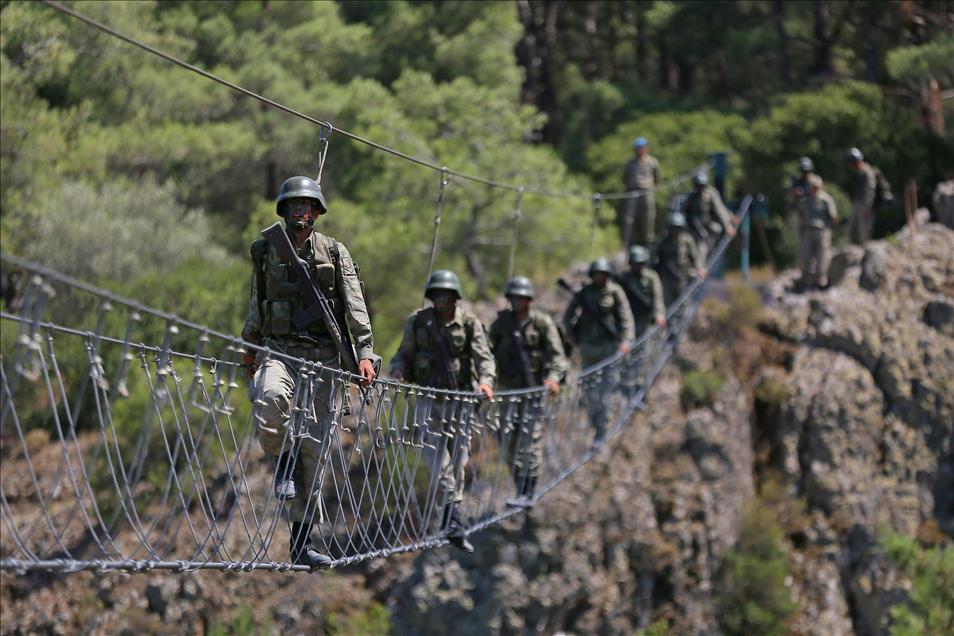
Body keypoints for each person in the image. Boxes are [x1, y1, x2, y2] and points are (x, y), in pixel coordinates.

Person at [242, 175, 377, 569]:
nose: (300, 210)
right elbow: (257, 304)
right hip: (279, 353)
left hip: (325, 363)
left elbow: (354, 304)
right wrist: (248, 348)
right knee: (268, 400)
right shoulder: (265, 251)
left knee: (316, 455)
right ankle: (282, 460)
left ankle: (301, 542)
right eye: (293, 205)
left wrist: (365, 352)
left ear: (317, 212)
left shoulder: (335, 253)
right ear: (283, 210)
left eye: (307, 205)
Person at [390, 269, 495, 553]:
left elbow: (483, 357)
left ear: (455, 297)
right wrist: (397, 370)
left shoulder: (469, 322)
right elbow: (404, 353)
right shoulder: (419, 321)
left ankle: (451, 519)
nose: (440, 300)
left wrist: (486, 382)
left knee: (459, 459)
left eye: (446, 296)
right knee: (438, 462)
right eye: (436, 295)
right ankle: (455, 521)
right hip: (428, 400)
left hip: (460, 401)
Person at [489, 276, 568, 505]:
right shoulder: (501, 325)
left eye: (520, 298)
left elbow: (557, 357)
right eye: (513, 298)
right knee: (507, 442)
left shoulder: (542, 323)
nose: (516, 302)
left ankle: (528, 493)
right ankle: (519, 486)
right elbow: (486, 351)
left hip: (533, 392)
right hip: (507, 392)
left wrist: (553, 379)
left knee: (530, 441)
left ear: (528, 300)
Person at [562, 258, 634, 444]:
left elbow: (625, 317)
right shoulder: (583, 294)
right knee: (588, 390)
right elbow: (568, 316)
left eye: (603, 274)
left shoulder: (615, 292)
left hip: (609, 348)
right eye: (597, 274)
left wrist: (626, 341)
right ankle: (595, 421)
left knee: (605, 390)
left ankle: (602, 428)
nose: (600, 278)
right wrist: (570, 334)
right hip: (588, 347)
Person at [681, 171, 736, 261]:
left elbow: (720, 210)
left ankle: (710, 252)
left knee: (716, 230)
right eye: (698, 186)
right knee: (696, 246)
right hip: (694, 228)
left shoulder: (711, 193)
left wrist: (728, 226)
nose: (700, 188)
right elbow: (682, 212)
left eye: (702, 186)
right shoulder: (691, 197)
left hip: (708, 224)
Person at [655, 212, 705, 307]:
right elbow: (656, 256)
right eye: (673, 228)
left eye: (678, 228)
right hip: (667, 276)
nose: (675, 231)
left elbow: (695, 256)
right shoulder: (664, 241)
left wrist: (700, 268)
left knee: (683, 301)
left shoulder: (687, 240)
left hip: (683, 275)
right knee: (668, 301)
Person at [798, 175, 838, 290]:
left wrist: (829, 228)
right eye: (812, 187)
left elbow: (833, 217)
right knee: (805, 257)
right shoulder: (805, 200)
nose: (814, 189)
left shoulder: (826, 199)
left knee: (823, 256)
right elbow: (801, 215)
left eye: (816, 187)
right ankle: (805, 280)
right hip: (808, 230)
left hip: (823, 230)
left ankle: (820, 281)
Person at [617, 246, 666, 337]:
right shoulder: (624, 278)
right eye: (634, 263)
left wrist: (659, 315)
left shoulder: (651, 277)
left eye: (639, 263)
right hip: (629, 315)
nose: (637, 266)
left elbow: (657, 297)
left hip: (646, 316)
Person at [621, 137, 661, 247]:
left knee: (648, 220)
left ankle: (648, 244)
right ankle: (630, 244)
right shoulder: (630, 163)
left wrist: (652, 187)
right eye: (637, 148)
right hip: (632, 193)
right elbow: (624, 178)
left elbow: (657, 177)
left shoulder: (652, 162)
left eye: (641, 148)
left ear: (646, 148)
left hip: (647, 194)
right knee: (630, 220)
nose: (639, 150)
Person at [846, 147, 878, 244]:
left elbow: (870, 191)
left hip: (864, 205)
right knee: (852, 231)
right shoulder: (859, 173)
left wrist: (867, 208)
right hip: (858, 203)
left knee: (863, 233)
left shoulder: (867, 172)